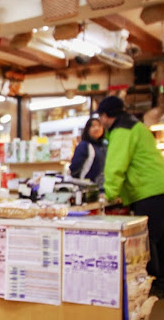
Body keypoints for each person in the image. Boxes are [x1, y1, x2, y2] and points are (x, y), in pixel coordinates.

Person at [97, 95, 164, 295]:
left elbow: (116, 166)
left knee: (151, 241)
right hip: (156, 188)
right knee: (159, 240)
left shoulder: (122, 131)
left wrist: (109, 193)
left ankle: (156, 285)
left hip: (147, 191)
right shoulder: (136, 126)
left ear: (105, 116)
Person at [69, 117, 107, 188]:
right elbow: (75, 167)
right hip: (86, 187)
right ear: (87, 130)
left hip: (102, 187)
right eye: (93, 126)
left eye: (99, 125)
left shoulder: (104, 146)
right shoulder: (84, 145)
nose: (97, 128)